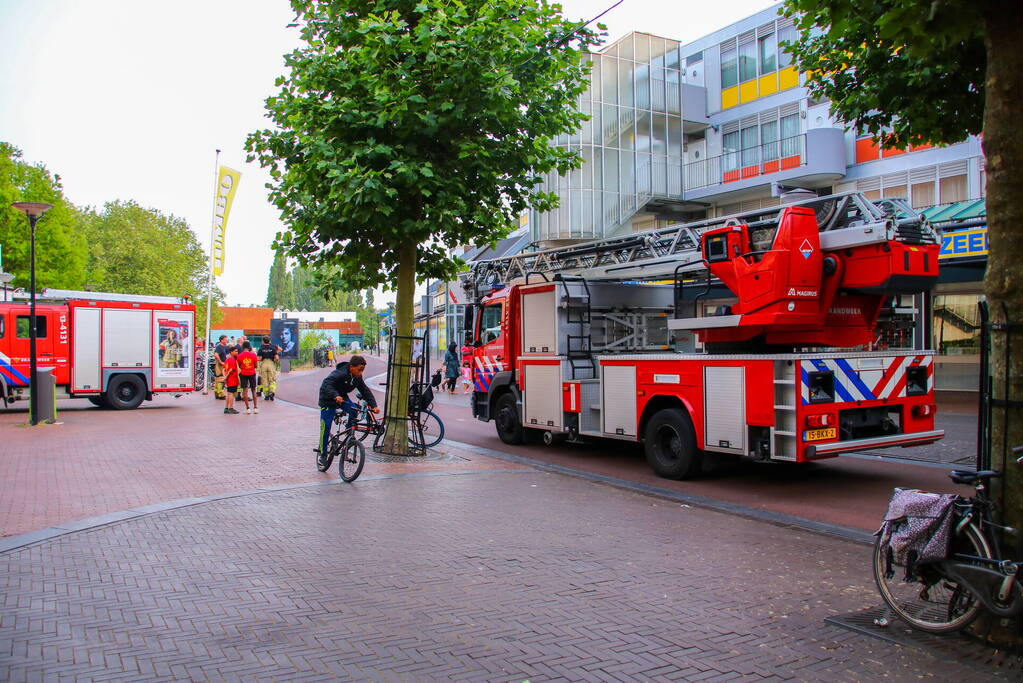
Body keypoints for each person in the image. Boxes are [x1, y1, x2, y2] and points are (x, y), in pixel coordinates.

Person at [316, 355, 379, 458]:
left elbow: (365, 390)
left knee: (354, 410)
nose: (360, 373)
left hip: (342, 398)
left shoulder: (357, 377)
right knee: (326, 428)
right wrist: (335, 395)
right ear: (351, 367)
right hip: (327, 399)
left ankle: (348, 434)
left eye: (362, 370)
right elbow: (326, 384)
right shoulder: (340, 373)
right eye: (359, 370)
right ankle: (323, 454)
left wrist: (374, 406)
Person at [237, 341, 259, 414]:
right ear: (249, 347)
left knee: (245, 390)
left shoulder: (239, 356)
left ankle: (248, 408)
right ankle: (255, 407)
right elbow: (256, 365)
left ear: (243, 347)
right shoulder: (253, 355)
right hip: (252, 373)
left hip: (243, 373)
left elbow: (239, 365)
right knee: (253, 390)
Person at [257, 335, 279, 400]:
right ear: (269, 340)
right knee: (272, 379)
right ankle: (272, 392)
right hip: (271, 363)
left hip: (263, 364)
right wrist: (274, 361)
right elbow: (277, 358)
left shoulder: (261, 348)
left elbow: (258, 358)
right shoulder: (273, 348)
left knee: (264, 380)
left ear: (263, 341)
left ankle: (266, 395)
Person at [223, 346, 240, 415]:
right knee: (231, 394)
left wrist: (225, 376)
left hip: (229, 380)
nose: (237, 352)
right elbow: (231, 370)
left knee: (228, 393)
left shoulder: (227, 359)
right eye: (235, 351)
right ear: (231, 352)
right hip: (232, 379)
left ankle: (226, 408)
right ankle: (231, 408)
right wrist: (226, 377)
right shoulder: (232, 360)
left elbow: (223, 369)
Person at [213, 335, 229, 400]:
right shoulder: (219, 347)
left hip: (223, 364)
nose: (226, 340)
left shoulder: (224, 347)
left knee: (218, 380)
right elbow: (216, 355)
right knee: (221, 379)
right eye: (225, 339)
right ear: (221, 340)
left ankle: (217, 393)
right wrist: (221, 362)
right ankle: (220, 394)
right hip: (220, 365)